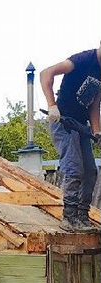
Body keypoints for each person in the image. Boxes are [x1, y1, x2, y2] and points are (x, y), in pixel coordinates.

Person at [40, 45, 101, 232]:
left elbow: (94, 104)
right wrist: (52, 105)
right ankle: (69, 218)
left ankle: (82, 217)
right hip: (63, 121)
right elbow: (45, 73)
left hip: (81, 126)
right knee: (74, 169)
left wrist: (97, 131)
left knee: (91, 172)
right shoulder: (82, 60)